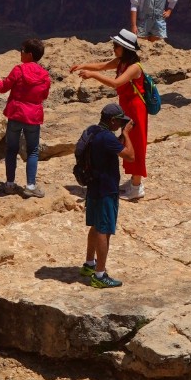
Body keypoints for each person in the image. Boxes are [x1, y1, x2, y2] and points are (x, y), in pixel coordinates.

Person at [72, 31, 148, 200]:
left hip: (136, 109)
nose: (114, 48)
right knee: (127, 139)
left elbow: (116, 83)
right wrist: (83, 65)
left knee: (136, 143)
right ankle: (134, 180)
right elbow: (102, 65)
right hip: (127, 106)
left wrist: (92, 75)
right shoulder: (122, 62)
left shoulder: (134, 67)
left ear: (125, 48)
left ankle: (137, 186)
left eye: (116, 46)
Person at [0, 38, 52, 196]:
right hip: (33, 117)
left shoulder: (18, 70)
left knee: (11, 149)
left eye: (22, 50)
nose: (20, 53)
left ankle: (9, 185)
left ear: (29, 54)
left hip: (16, 114)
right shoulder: (44, 76)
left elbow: (3, 88)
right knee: (32, 151)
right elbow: (44, 95)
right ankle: (30, 187)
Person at [79, 101, 130, 288]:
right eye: (119, 121)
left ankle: (89, 264)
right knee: (104, 230)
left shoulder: (94, 131)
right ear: (112, 121)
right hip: (106, 189)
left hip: (93, 186)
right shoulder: (108, 137)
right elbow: (130, 155)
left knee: (95, 225)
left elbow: (111, 148)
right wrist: (126, 135)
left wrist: (120, 137)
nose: (120, 124)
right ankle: (100, 276)